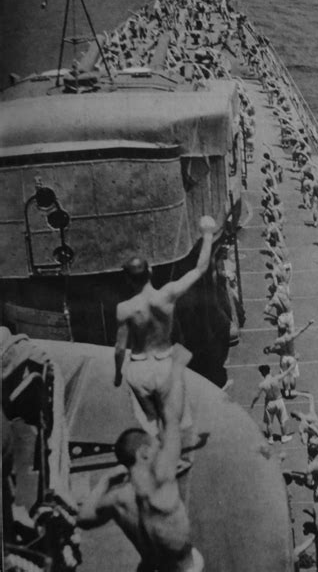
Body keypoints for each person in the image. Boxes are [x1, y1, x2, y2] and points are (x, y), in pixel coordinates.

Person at [114, 216, 216, 445]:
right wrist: (207, 235)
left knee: (151, 421)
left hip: (139, 368)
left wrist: (117, 374)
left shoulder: (124, 309)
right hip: (164, 363)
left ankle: (158, 450)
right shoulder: (166, 296)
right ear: (150, 271)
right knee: (175, 419)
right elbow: (199, 269)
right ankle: (178, 452)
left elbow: (120, 348)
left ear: (128, 280)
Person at [77, 428, 204, 572]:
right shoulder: (161, 485)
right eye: (157, 448)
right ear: (144, 453)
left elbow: (83, 518)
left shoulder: (117, 498)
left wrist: (105, 480)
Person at [250, 364, 294, 444]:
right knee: (282, 421)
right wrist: (294, 363)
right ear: (270, 371)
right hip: (279, 401)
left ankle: (270, 438)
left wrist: (253, 403)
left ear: (262, 374)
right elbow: (287, 372)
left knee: (269, 422)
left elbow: (257, 396)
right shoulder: (276, 378)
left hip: (269, 403)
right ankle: (284, 437)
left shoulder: (262, 384)